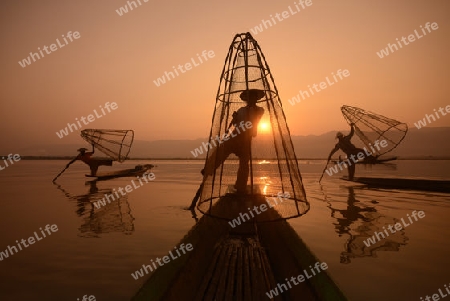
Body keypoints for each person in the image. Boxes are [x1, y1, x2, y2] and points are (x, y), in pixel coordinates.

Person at [202, 89, 265, 194]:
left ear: (256, 99)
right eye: (249, 97)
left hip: (246, 139)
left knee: (244, 164)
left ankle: (240, 186)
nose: (251, 100)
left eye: (253, 97)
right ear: (247, 99)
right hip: (235, 136)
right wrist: (235, 119)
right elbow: (236, 125)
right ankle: (209, 169)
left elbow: (254, 120)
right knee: (221, 149)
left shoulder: (259, 110)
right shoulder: (241, 110)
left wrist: (249, 112)